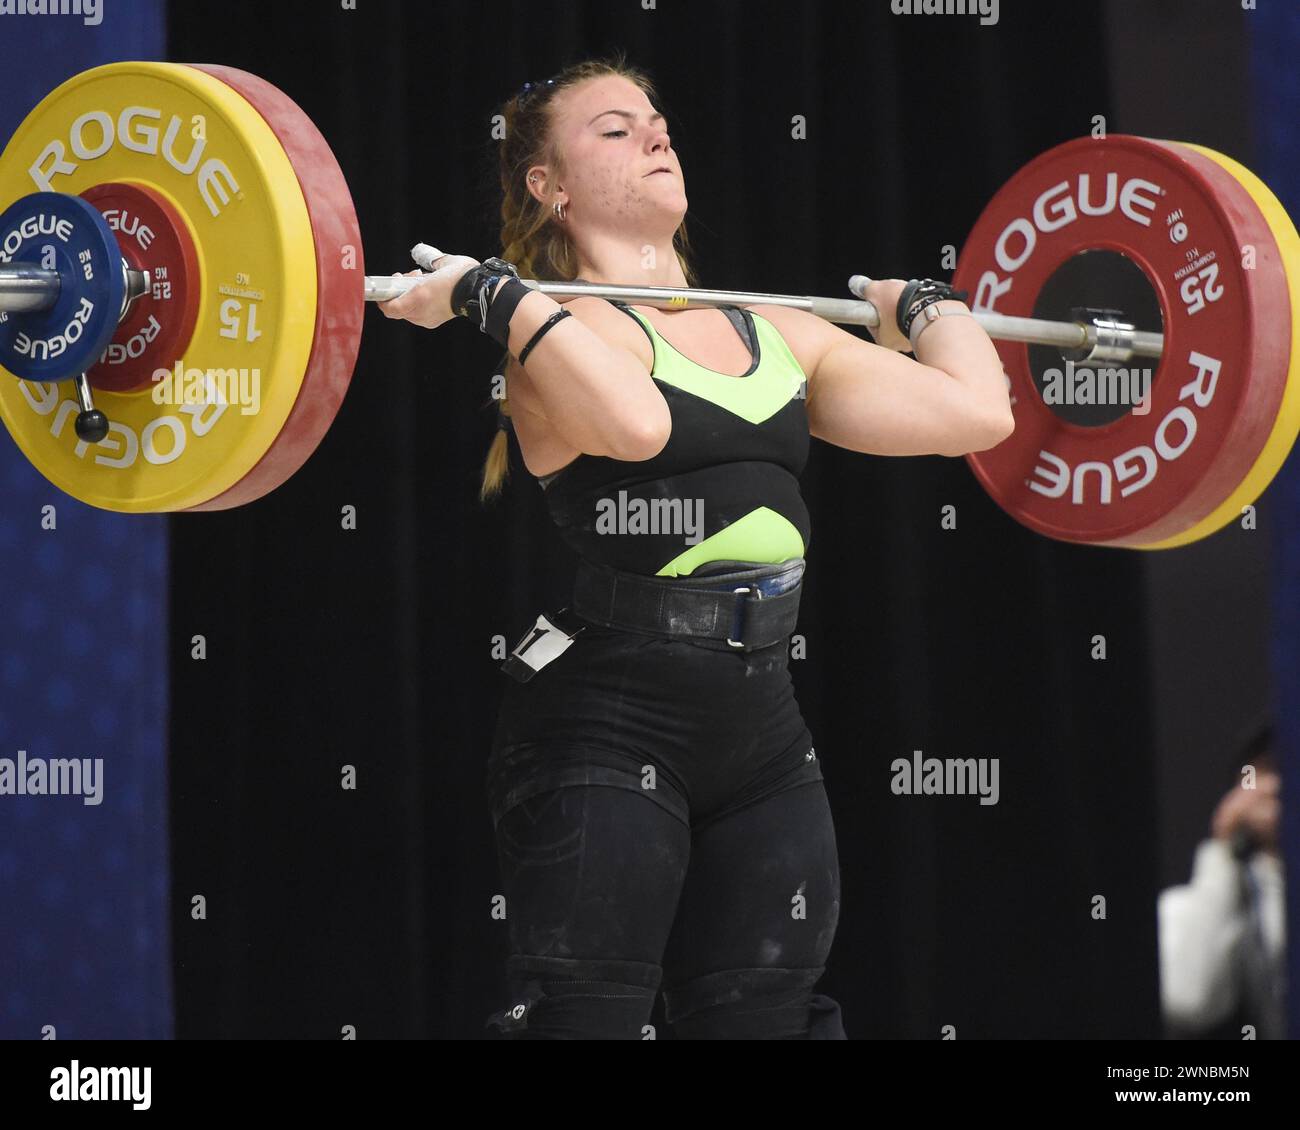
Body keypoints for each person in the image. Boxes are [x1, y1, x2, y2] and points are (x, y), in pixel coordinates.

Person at [378, 53, 1013, 1039]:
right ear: (547, 187)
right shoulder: (554, 333)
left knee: (765, 1017)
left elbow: (976, 414)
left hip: (762, 728)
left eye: (657, 119)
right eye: (615, 129)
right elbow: (636, 426)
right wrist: (493, 298)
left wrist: (926, 307)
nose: (656, 134)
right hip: (604, 719)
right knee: (586, 1018)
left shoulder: (777, 332)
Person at [1158, 720, 1287, 1039]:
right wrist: (1224, 849)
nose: (1276, 788)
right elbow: (1189, 999)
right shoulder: (1198, 901)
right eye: (1264, 771)